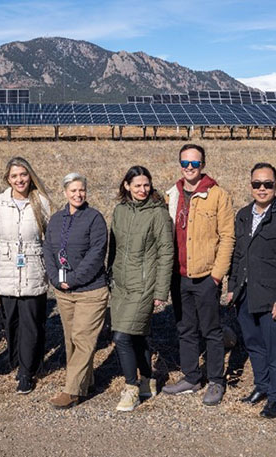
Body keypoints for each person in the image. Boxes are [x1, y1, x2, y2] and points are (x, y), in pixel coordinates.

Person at [227, 163, 276, 419]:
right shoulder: (243, 215)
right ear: (250, 186)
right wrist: (231, 288)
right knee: (254, 344)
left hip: (272, 297)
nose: (262, 189)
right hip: (245, 294)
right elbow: (238, 256)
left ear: (275, 185)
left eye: (267, 184)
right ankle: (262, 386)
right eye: (257, 184)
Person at [163, 143, 235, 406]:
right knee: (185, 328)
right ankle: (191, 377)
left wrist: (216, 275)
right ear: (180, 165)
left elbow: (227, 237)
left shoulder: (217, 195)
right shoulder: (172, 194)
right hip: (179, 275)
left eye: (195, 164)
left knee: (211, 331)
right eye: (185, 163)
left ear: (203, 165)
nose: (190, 168)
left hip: (206, 276)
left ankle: (216, 380)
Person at [107, 166, 174, 412]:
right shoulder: (120, 210)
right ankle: (147, 380)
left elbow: (167, 253)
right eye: (137, 185)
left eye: (146, 185)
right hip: (121, 284)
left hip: (144, 285)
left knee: (121, 336)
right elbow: (113, 246)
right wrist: (109, 275)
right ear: (126, 186)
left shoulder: (158, 214)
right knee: (137, 335)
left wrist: (160, 291)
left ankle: (131, 388)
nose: (142, 190)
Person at [43, 173, 109, 409]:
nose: (78, 194)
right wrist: (54, 277)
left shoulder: (94, 219)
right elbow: (48, 250)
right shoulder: (56, 219)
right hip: (63, 292)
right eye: (73, 190)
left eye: (81, 190)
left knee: (83, 338)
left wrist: (73, 279)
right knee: (71, 340)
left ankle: (71, 391)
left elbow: (96, 254)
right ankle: (86, 381)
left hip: (91, 291)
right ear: (65, 193)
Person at [0, 157, 51, 395]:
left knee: (31, 323)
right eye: (14, 176)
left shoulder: (42, 203)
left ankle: (28, 371)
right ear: (8, 178)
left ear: (30, 176)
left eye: (23, 175)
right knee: (10, 321)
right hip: (5, 269)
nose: (19, 180)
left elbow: (49, 238)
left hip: (33, 268)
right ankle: (16, 360)